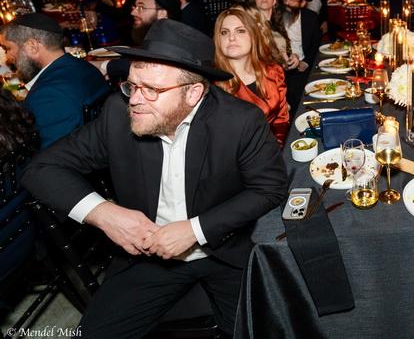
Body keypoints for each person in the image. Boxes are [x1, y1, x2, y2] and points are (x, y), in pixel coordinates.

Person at [21, 19, 287, 336]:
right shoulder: (118, 113)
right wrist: (105, 214)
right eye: (132, 85)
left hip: (224, 252)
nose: (135, 99)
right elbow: (41, 169)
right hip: (146, 258)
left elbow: (270, 188)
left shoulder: (239, 120)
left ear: (193, 93)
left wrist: (194, 230)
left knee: (259, 330)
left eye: (152, 90)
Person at [0, 13, 109, 148]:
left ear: (32, 46)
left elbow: (49, 156)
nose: (7, 57)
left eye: (8, 48)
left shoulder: (47, 95)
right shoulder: (85, 67)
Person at [213, 8, 290, 146]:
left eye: (240, 31)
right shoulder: (213, 87)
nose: (231, 37)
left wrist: (277, 147)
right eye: (224, 32)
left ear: (253, 35)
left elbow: (281, 119)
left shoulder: (273, 72)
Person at [248, 0, 298, 69]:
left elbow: (285, 53)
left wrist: (293, 57)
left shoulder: (279, 23)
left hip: (281, 73)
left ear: (274, 1)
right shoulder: (250, 26)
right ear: (254, 0)